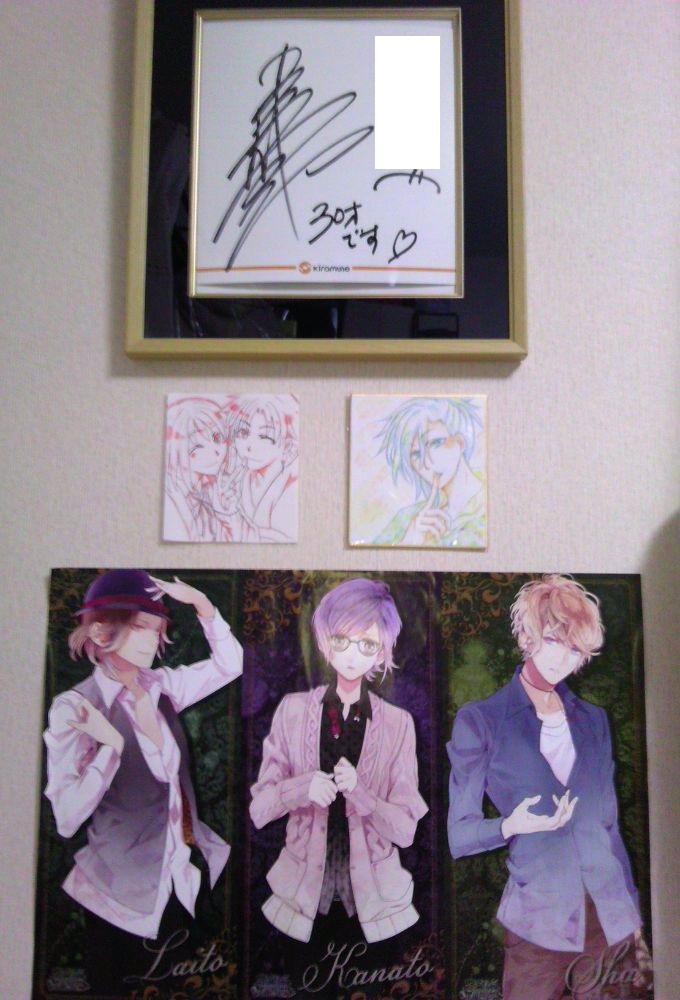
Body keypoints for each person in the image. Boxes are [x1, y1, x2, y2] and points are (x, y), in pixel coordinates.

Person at [447, 574, 652, 1000]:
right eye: (555, 640)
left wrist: (633, 922)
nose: (563, 659)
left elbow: (609, 826)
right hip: (538, 924)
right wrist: (510, 825)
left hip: (609, 920)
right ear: (527, 636)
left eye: (575, 649)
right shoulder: (482, 720)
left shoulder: (593, 721)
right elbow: (459, 835)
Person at [43, 569, 243, 991]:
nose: (152, 641)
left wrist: (203, 605)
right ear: (100, 632)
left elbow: (231, 665)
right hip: (116, 898)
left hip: (178, 883)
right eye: (139, 628)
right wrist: (110, 749)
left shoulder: (161, 687)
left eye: (156, 630)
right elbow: (66, 817)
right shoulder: (74, 709)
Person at [249, 577, 428, 955]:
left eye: (367, 644)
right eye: (341, 640)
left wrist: (363, 796)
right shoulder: (293, 710)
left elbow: (407, 830)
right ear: (323, 642)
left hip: (377, 905)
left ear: (381, 652)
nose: (351, 654)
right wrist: (300, 789)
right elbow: (259, 811)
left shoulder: (397, 724)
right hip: (297, 899)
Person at [373, 395, 485, 548]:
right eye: (416, 454)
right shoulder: (408, 518)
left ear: (460, 442)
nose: (426, 463)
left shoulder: (488, 509)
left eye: (435, 443)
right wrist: (409, 542)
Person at [222, 394, 299, 542]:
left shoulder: (291, 483)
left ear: (288, 444)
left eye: (264, 436)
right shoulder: (239, 478)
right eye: (243, 432)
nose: (249, 446)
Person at [163, 394, 238, 541]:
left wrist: (225, 513)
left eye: (218, 438)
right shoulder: (173, 497)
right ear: (176, 451)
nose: (216, 451)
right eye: (197, 446)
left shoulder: (207, 493)